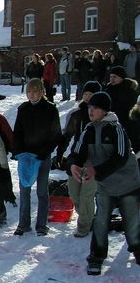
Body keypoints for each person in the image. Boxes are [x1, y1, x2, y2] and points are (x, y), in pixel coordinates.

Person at [67, 91, 140, 275]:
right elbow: (76, 152)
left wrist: (97, 170)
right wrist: (73, 165)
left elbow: (121, 156)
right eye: (90, 107)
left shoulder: (116, 128)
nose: (91, 111)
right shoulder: (88, 130)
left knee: (131, 221)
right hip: (105, 185)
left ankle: (138, 249)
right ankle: (96, 257)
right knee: (100, 221)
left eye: (95, 108)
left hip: (127, 184)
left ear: (105, 110)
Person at [12, 78, 62, 236]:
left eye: (35, 91)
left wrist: (45, 151)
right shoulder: (23, 109)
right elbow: (17, 133)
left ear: (42, 92)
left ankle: (41, 225)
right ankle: (23, 224)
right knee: (24, 190)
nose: (32, 95)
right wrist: (17, 151)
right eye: (29, 92)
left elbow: (56, 135)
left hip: (42, 156)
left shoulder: (50, 109)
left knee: (42, 191)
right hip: (26, 157)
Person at [55, 81, 101, 238]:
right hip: (76, 157)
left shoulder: (102, 117)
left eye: (92, 95)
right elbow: (66, 135)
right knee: (74, 194)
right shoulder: (76, 114)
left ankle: (84, 225)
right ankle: (88, 217)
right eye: (86, 94)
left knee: (86, 195)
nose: (88, 98)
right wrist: (60, 154)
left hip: (94, 159)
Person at [104, 65, 140, 153]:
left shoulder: (130, 91)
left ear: (122, 77)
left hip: (128, 124)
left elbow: (133, 109)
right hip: (110, 124)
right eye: (110, 77)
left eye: (115, 77)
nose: (112, 79)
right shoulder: (107, 90)